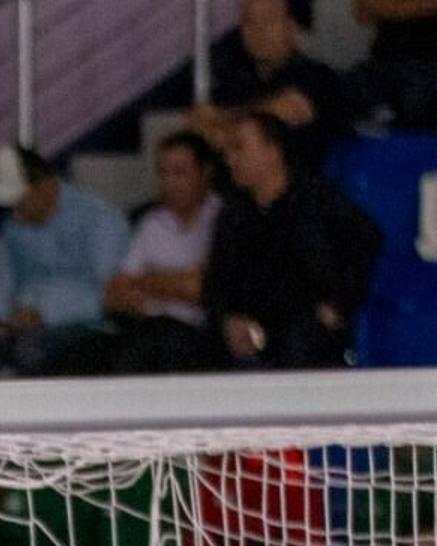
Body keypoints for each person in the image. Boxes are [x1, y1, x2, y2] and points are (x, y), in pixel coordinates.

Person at [0, 147, 129, 381]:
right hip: (19, 332)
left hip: (84, 327)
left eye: (20, 202)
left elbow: (112, 292)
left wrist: (45, 314)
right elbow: (4, 283)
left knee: (31, 351)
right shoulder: (14, 227)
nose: (15, 212)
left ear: (45, 186)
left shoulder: (98, 219)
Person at [205, 113, 382, 368]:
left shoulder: (316, 201)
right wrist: (227, 320)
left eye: (239, 148)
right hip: (249, 331)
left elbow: (366, 242)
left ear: (272, 150)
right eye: (228, 150)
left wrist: (339, 305)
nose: (230, 159)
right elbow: (217, 281)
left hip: (305, 330)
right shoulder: (233, 215)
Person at [87, 134, 230, 376]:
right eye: (163, 173)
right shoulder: (152, 223)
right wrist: (173, 284)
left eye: (179, 173)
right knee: (88, 351)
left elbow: (199, 289)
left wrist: (144, 281)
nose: (169, 184)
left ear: (205, 173)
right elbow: (114, 294)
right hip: (149, 329)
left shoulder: (223, 219)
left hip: (201, 335)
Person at [192, 0, 352, 172]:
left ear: (292, 26)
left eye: (269, 19)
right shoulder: (234, 83)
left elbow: (286, 111)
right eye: (249, 21)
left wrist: (220, 120)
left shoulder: (316, 76)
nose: (258, 30)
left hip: (303, 190)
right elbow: (204, 131)